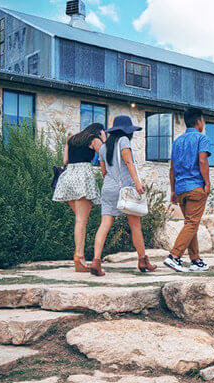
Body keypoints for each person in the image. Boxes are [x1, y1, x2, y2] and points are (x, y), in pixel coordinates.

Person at [90, 115, 157, 276]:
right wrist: (137, 183)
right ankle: (142, 260)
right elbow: (128, 162)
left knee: (104, 225)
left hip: (108, 188)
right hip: (125, 189)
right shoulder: (124, 141)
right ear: (127, 131)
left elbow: (104, 171)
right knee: (135, 226)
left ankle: (96, 261)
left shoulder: (104, 147)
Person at [52, 123, 105, 272]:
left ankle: (80, 257)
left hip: (68, 177)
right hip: (82, 177)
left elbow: (65, 161)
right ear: (99, 131)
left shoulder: (71, 139)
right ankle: (79, 257)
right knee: (81, 221)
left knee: (80, 219)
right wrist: (103, 140)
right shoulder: (94, 139)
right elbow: (105, 156)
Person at [163, 108, 211, 272]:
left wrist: (173, 191)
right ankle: (174, 256)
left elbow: (172, 168)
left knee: (191, 224)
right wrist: (207, 183)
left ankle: (196, 260)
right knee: (192, 223)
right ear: (199, 121)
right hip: (196, 187)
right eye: (203, 120)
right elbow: (202, 161)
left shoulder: (177, 141)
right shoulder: (201, 138)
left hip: (181, 189)